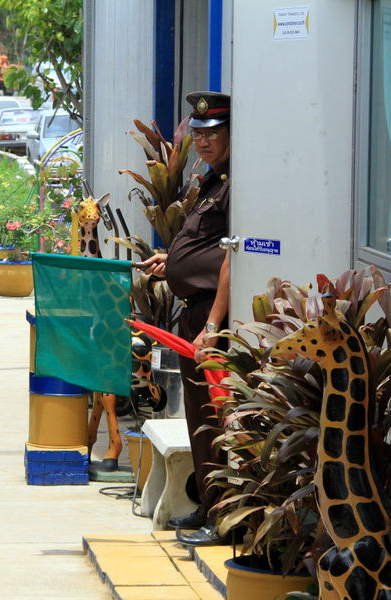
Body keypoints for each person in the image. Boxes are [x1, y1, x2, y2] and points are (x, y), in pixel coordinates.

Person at [140, 91, 231, 546]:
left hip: (215, 324)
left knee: (216, 418)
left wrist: (213, 326)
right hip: (194, 317)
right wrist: (170, 259)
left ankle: (225, 518)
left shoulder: (237, 186)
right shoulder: (212, 182)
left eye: (212, 134)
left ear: (230, 134)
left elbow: (234, 257)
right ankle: (207, 506)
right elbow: (202, 248)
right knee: (198, 417)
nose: (203, 142)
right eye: (198, 135)